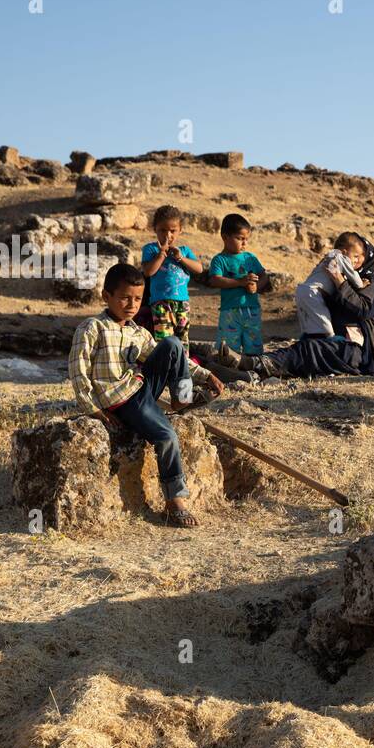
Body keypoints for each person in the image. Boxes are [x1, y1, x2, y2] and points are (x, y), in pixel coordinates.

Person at [68, 263, 222, 527]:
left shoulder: (137, 332)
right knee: (166, 436)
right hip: (121, 400)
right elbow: (77, 368)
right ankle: (175, 502)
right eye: (125, 297)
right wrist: (92, 407)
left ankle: (182, 398)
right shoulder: (93, 328)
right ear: (107, 297)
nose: (131, 304)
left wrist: (206, 376)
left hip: (140, 389)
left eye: (138, 299)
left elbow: (173, 357)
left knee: (173, 343)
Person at [209, 234, 374, 381]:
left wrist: (340, 281)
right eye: (354, 255)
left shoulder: (370, 284)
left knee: (308, 351)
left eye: (361, 257)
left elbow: (362, 309)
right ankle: (249, 373)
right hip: (333, 344)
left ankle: (251, 364)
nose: (357, 261)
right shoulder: (338, 269)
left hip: (357, 352)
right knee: (304, 352)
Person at [139, 205, 203, 352]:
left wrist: (181, 258)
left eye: (173, 231)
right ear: (155, 229)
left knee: (182, 339)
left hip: (183, 303)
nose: (168, 235)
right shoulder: (150, 249)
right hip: (161, 303)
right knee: (164, 340)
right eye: (163, 230)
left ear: (180, 230)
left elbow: (199, 269)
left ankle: (183, 368)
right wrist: (161, 254)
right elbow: (148, 272)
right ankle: (166, 368)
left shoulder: (184, 251)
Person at [208, 213, 270, 357]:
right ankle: (230, 371)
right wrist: (240, 282)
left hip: (252, 310)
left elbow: (264, 276)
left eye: (246, 239)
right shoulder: (219, 260)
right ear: (225, 237)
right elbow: (215, 280)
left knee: (253, 343)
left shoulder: (250, 258)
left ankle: (253, 369)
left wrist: (256, 287)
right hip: (230, 311)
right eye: (240, 238)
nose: (244, 243)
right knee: (229, 347)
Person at [295, 232, 369, 339]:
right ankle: (333, 340)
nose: (356, 260)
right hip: (314, 293)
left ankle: (306, 341)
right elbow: (355, 278)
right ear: (344, 252)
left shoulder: (327, 258)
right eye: (355, 256)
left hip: (302, 290)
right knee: (325, 322)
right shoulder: (340, 257)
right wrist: (362, 284)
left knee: (308, 324)